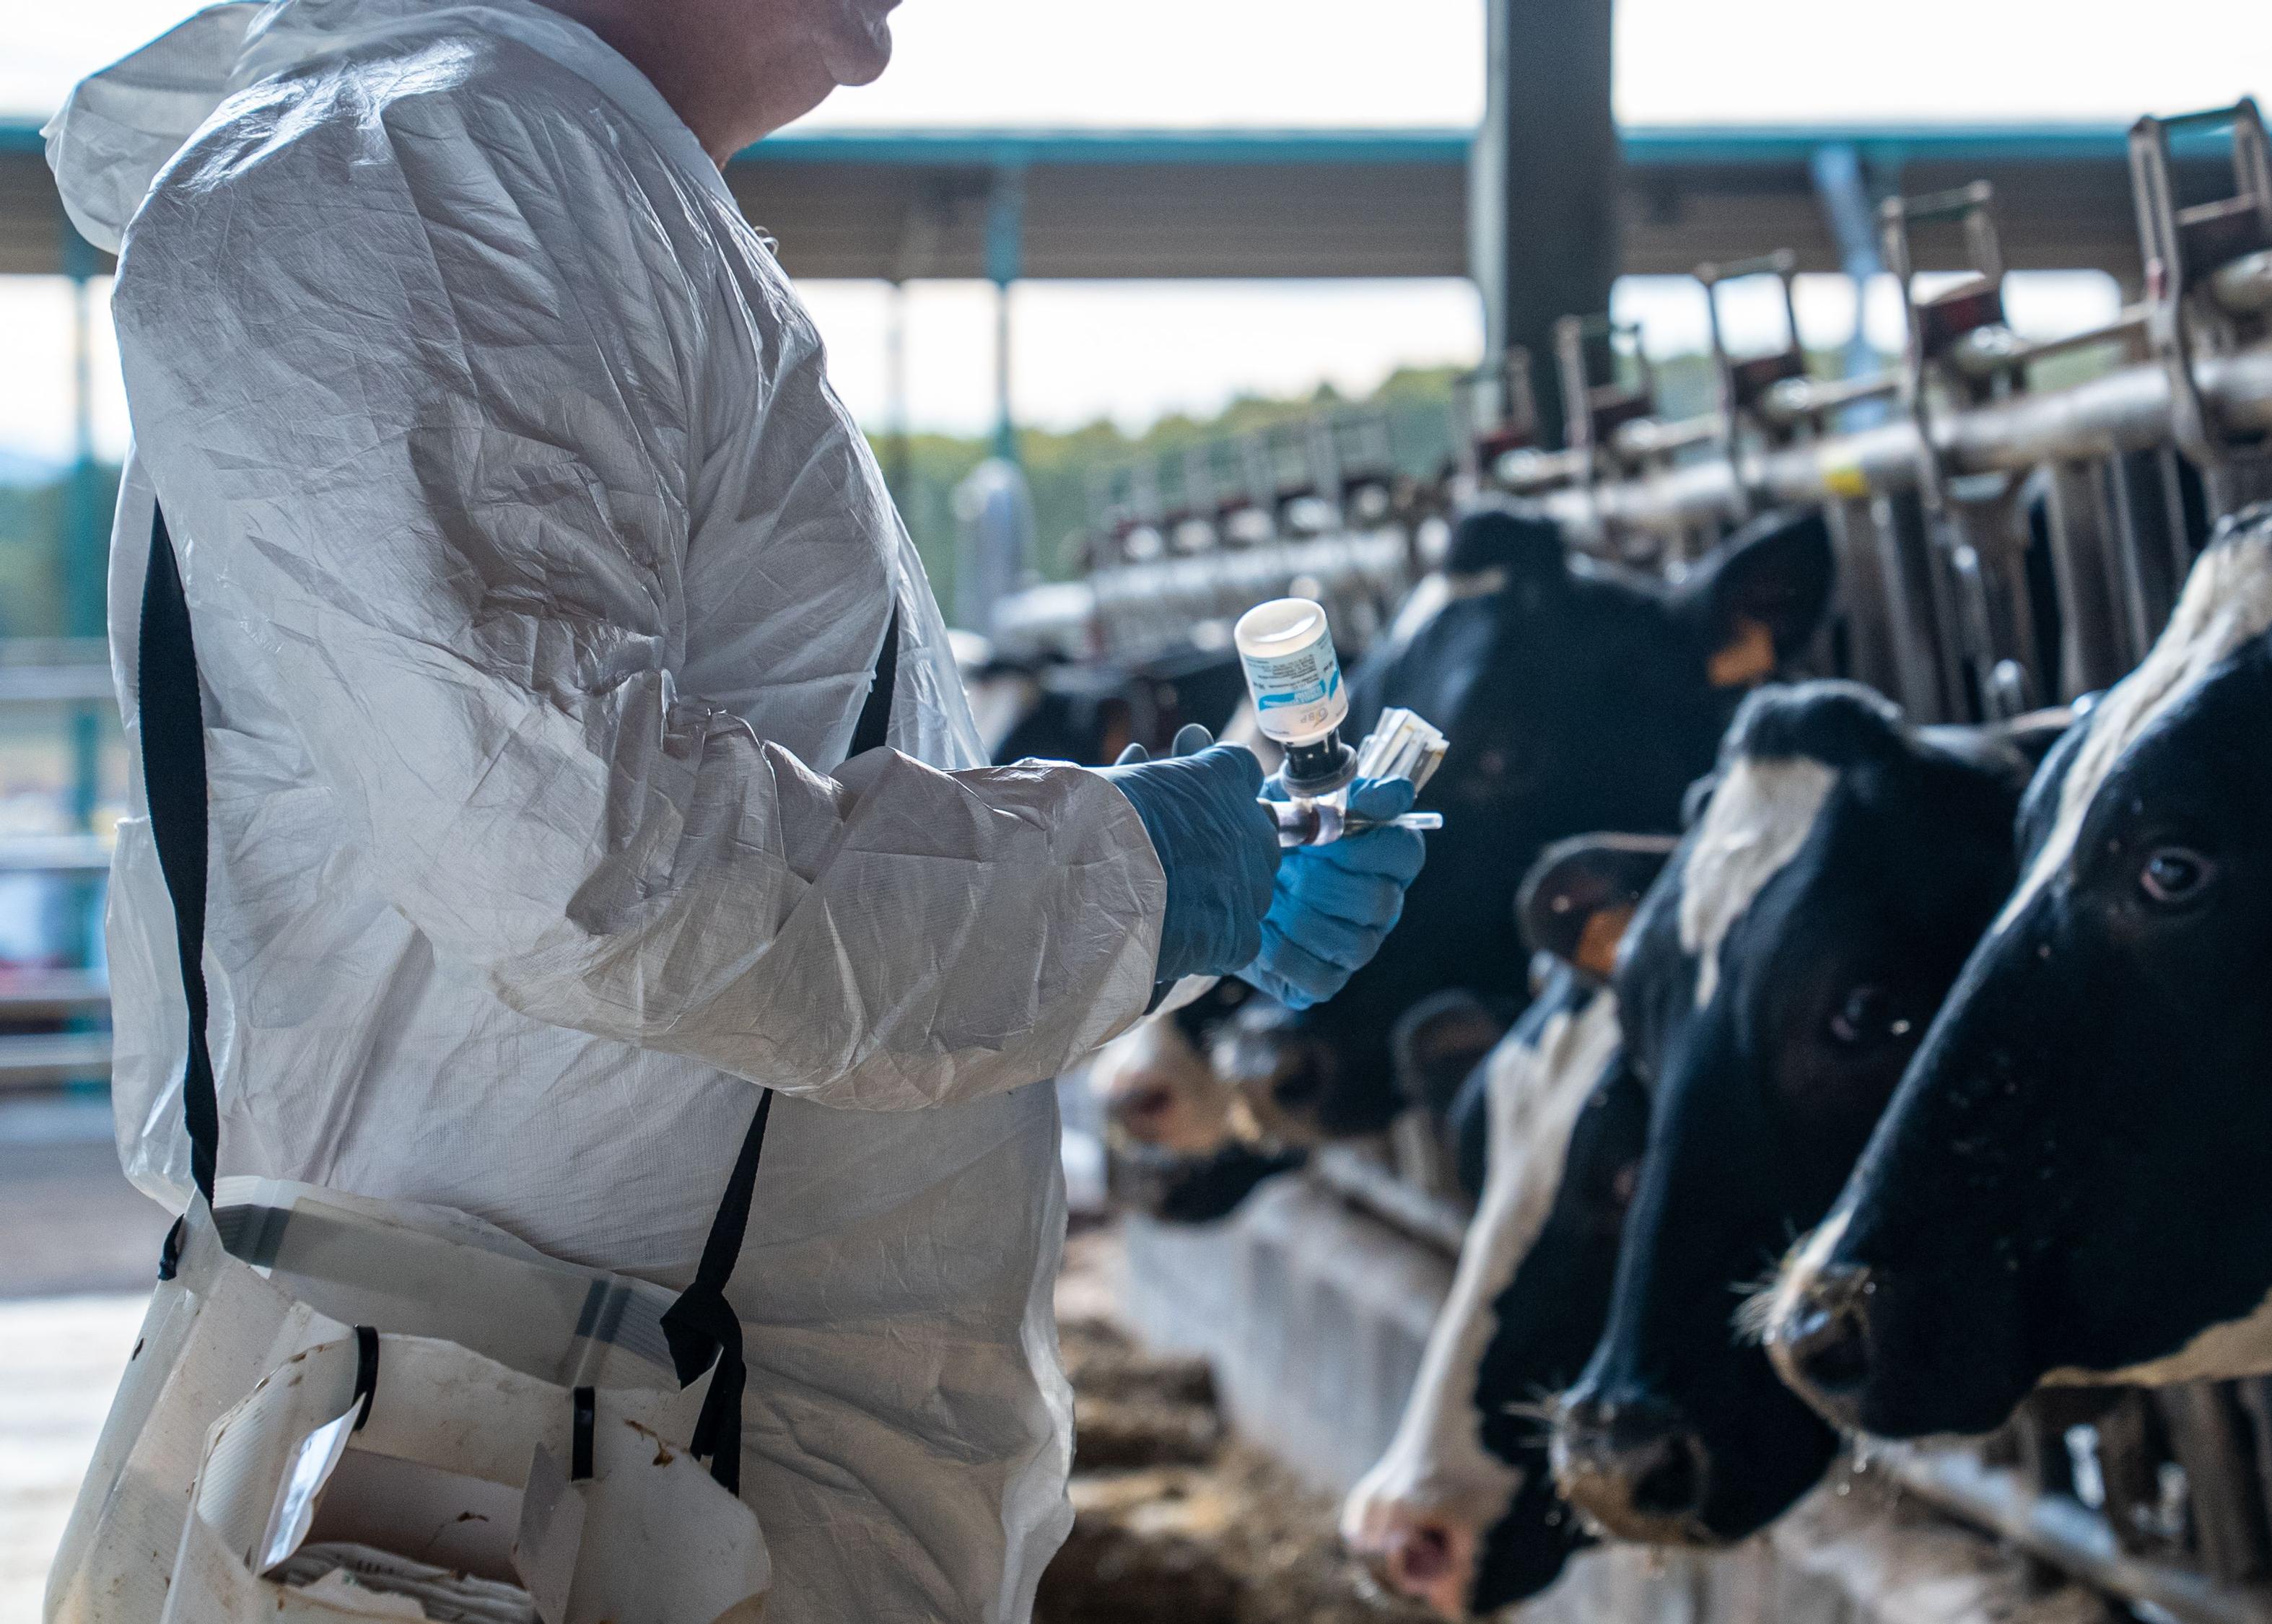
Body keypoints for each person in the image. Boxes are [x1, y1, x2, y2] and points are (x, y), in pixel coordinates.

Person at [42, 1, 1423, 1618]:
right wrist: (1130, 872)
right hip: (530, 1475)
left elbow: (669, 851)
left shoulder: (529, 168)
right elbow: (582, 862)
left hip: (614, 1453)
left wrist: (1147, 910)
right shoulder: (431, 165)